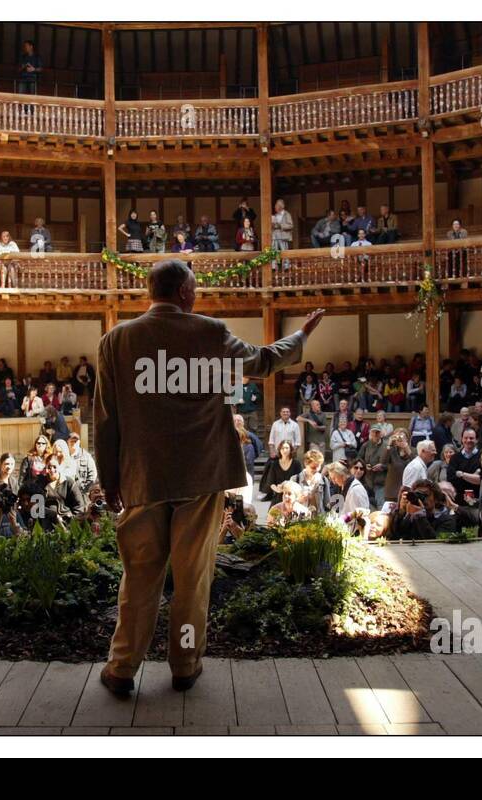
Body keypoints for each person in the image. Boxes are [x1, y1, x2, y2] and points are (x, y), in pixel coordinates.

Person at [94, 258, 318, 695]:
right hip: (199, 477)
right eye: (193, 289)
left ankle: (121, 669)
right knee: (192, 579)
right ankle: (184, 664)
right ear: (182, 293)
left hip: (142, 477)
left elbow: (106, 419)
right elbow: (264, 361)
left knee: (139, 578)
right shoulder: (209, 332)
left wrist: (108, 478)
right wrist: (302, 335)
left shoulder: (115, 341)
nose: (196, 296)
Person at [385, 480, 458, 541]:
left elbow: (435, 543)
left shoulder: (447, 520)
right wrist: (401, 511)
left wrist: (420, 515)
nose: (422, 498)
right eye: (418, 495)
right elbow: (393, 535)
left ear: (436, 499)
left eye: (426, 495)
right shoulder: (410, 518)